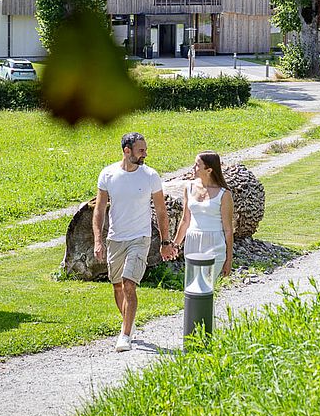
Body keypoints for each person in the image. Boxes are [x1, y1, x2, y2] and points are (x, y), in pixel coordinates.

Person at [93, 132, 175, 352]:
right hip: (115, 238)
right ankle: (128, 322)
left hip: (140, 238)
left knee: (129, 284)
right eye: (141, 151)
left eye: (145, 150)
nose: (145, 154)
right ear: (126, 151)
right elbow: (99, 210)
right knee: (117, 286)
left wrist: (165, 241)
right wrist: (98, 240)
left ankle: (125, 335)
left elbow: (161, 211)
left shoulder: (150, 176)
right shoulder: (108, 174)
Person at [172, 151, 234, 283]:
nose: (193, 168)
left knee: (206, 285)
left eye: (197, 165)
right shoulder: (189, 187)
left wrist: (229, 260)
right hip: (192, 241)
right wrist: (175, 245)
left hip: (215, 243)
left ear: (209, 170)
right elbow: (185, 220)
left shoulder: (224, 194)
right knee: (193, 287)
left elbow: (228, 230)